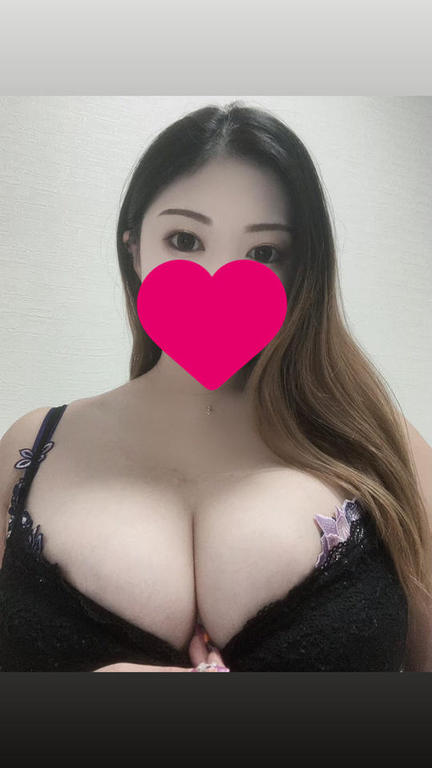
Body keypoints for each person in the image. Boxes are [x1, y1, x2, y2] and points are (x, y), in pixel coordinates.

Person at [1, 101, 431, 672]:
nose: (218, 278)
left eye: (263, 253)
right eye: (184, 239)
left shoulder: (385, 449)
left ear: (301, 268)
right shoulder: (29, 449)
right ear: (134, 246)